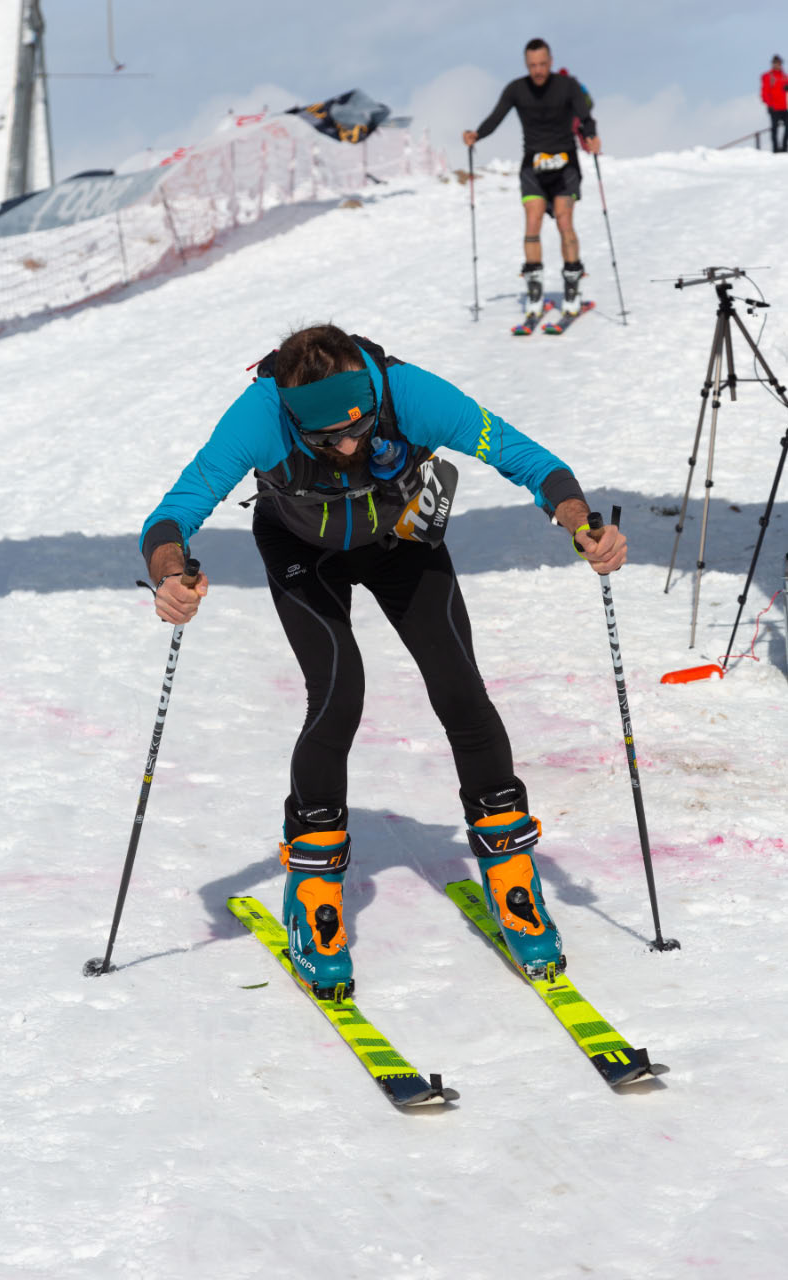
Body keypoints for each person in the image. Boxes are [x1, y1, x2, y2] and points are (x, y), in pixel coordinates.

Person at [140, 324, 626, 999]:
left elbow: (527, 458)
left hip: (401, 538)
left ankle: (512, 877)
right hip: (301, 548)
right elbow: (174, 514)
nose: (346, 447)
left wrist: (580, 523)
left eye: (357, 429)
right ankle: (313, 890)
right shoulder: (259, 414)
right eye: (325, 439)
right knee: (338, 694)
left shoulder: (410, 394)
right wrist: (170, 575)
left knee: (460, 689)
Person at [463, 38, 601, 321]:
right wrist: (477, 134)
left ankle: (572, 287)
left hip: (565, 165)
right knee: (532, 220)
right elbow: (495, 118)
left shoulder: (567, 86)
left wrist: (591, 136)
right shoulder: (516, 89)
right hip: (533, 166)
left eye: (542, 64)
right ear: (526, 65)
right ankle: (535, 291)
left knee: (564, 220)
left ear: (551, 62)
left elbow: (586, 117)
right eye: (532, 65)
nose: (537, 70)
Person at [761, 55, 788, 152]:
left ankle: (784, 147)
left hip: (785, 107)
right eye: (776, 63)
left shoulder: (785, 77)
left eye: (779, 63)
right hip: (774, 108)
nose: (778, 65)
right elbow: (765, 92)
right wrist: (769, 105)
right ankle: (776, 149)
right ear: (773, 64)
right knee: (774, 129)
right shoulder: (767, 76)